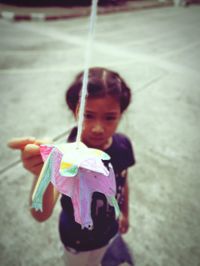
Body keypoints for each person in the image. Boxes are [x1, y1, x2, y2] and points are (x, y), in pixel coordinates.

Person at [8, 67, 136, 266]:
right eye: (88, 115)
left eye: (110, 117)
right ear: (74, 111)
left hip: (109, 232)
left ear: (122, 113)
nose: (98, 127)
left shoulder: (123, 145)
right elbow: (40, 214)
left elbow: (123, 181)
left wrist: (125, 213)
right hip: (77, 242)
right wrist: (45, 172)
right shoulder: (67, 156)